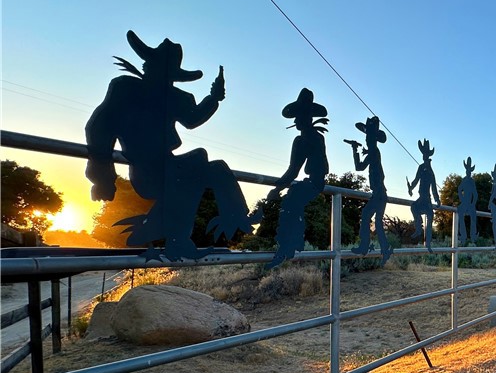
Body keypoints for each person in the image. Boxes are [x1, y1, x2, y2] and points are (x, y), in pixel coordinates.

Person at [85, 30, 251, 259]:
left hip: (169, 163)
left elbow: (193, 118)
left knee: (216, 169)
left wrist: (214, 98)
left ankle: (238, 220)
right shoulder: (126, 89)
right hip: (147, 168)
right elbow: (99, 128)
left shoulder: (175, 96)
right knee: (194, 168)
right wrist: (103, 177)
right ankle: (176, 238)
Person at [265, 88, 329, 268]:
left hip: (314, 182)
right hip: (316, 181)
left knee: (289, 203)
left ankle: (286, 247)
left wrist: (277, 188)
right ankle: (292, 243)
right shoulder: (316, 137)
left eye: (299, 115)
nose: (295, 120)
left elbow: (293, 170)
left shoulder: (303, 140)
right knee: (293, 200)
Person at [347, 116, 391, 263]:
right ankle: (384, 249)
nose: (366, 140)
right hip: (380, 192)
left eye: (368, 137)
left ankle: (365, 246)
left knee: (367, 216)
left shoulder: (373, 152)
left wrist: (354, 150)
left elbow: (359, 167)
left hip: (378, 193)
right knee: (377, 222)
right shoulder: (374, 152)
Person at [407, 139, 440, 251]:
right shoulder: (421, 168)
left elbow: (434, 187)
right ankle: (418, 227)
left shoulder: (430, 171)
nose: (424, 156)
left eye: (425, 154)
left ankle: (428, 242)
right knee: (414, 208)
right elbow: (416, 180)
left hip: (425, 198)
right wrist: (411, 187)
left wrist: (437, 199)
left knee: (429, 218)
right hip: (423, 197)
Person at [456, 157, 478, 246]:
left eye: (469, 171)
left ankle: (473, 235)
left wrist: (473, 203)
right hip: (465, 202)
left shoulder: (471, 181)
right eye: (467, 171)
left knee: (473, 216)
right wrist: (462, 199)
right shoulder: (465, 180)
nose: (468, 172)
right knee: (460, 214)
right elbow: (459, 189)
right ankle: (463, 235)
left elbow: (475, 194)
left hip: (469, 203)